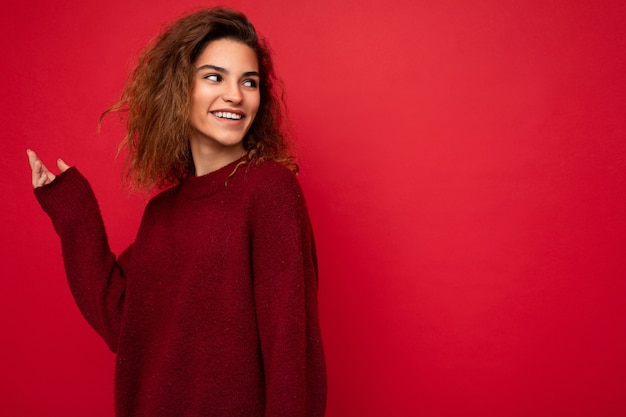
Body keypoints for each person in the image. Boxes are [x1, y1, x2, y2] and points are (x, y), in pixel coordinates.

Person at [26, 7, 326, 417]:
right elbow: (123, 323)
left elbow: (291, 348)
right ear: (179, 88)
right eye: (214, 76)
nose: (235, 95)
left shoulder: (269, 190)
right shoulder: (162, 213)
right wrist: (73, 212)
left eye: (249, 82)